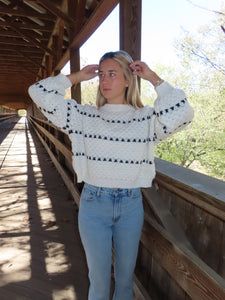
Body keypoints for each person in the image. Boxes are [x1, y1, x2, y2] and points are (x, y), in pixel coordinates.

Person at [28, 50, 194, 300]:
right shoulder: (82, 117)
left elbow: (184, 114)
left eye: (112, 74)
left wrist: (153, 78)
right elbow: (37, 92)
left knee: (125, 280)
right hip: (94, 205)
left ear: (129, 79)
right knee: (98, 280)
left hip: (131, 205)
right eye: (102, 75)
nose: (104, 80)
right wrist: (74, 77)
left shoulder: (147, 119)